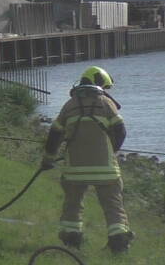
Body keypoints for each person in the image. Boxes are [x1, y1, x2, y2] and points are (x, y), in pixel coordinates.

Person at [41, 65, 134, 253]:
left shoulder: (69, 105)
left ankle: (71, 242)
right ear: (100, 84)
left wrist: (48, 159)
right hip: (106, 169)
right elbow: (121, 131)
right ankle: (119, 243)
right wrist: (111, 150)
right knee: (113, 205)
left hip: (75, 169)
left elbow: (55, 135)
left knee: (72, 205)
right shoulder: (106, 104)